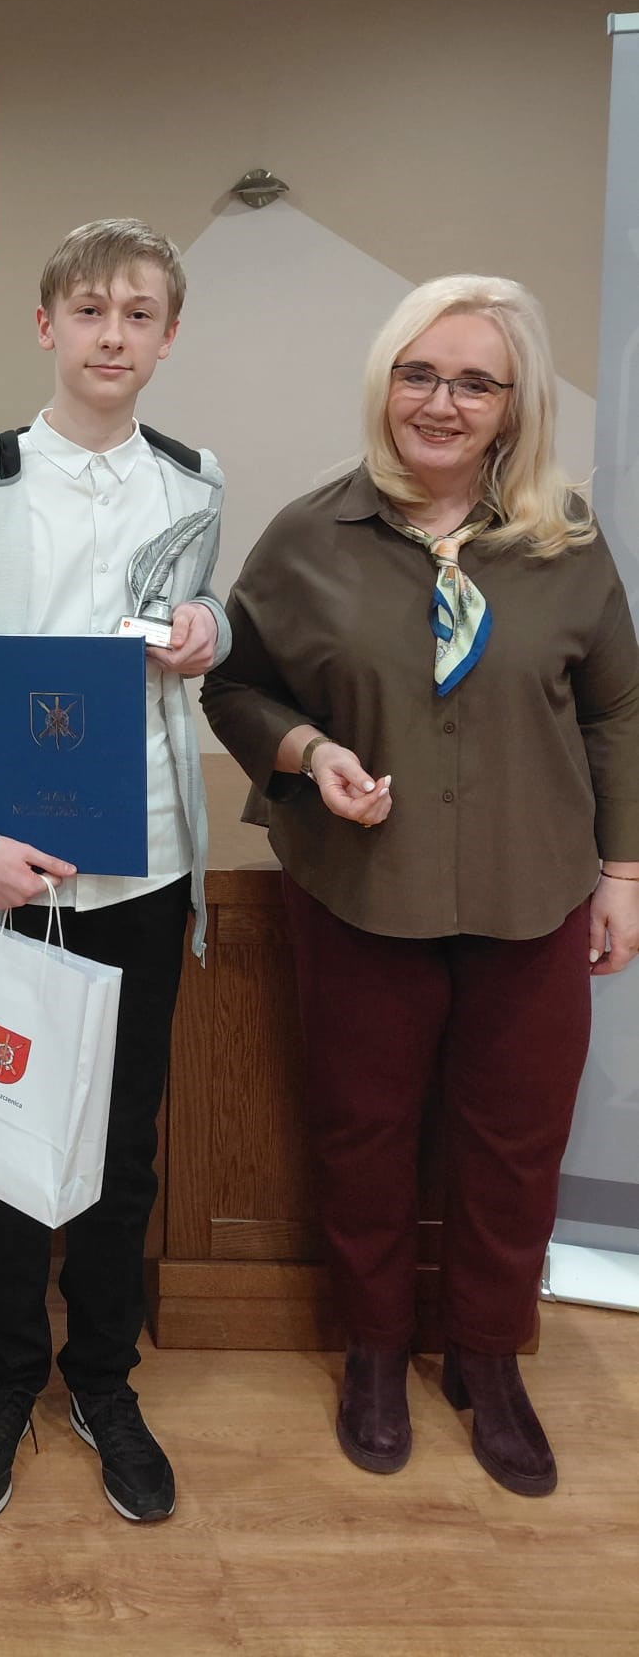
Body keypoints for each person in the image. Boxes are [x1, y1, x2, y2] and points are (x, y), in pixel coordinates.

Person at [201, 274, 639, 1498]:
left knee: (515, 1142)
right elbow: (235, 683)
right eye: (419, 374)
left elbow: (617, 708)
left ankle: (488, 1359)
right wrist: (309, 752)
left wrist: (624, 870)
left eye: (475, 382)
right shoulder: (309, 535)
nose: (441, 403)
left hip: (532, 890)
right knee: (364, 1131)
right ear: (386, 384)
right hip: (360, 888)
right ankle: (378, 1350)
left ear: (514, 405)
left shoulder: (564, 541)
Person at [0, 216, 228, 1523]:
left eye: (138, 315)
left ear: (168, 336)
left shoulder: (196, 485)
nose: (111, 336)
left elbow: (188, 636)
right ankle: (7, 1376)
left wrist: (211, 625)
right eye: (88, 312)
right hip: (9, 880)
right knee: (6, 1145)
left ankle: (102, 1381)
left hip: (143, 871)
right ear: (44, 326)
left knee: (123, 1153)